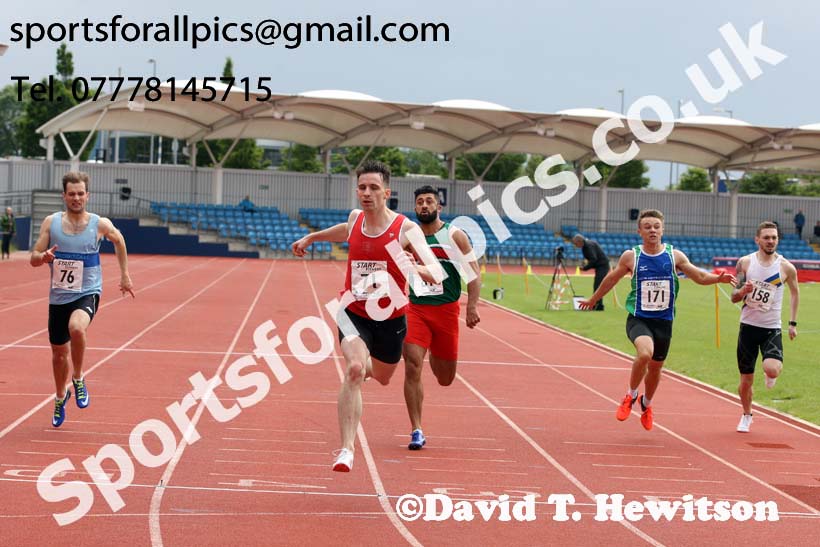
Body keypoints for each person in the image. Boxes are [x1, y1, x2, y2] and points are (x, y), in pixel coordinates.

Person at [291, 160, 441, 472]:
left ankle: (371, 368)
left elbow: (436, 275)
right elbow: (344, 231)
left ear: (387, 192)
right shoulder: (355, 218)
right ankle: (346, 449)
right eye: (362, 187)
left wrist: (413, 267)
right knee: (355, 369)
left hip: (390, 318)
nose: (367, 193)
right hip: (352, 311)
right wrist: (311, 238)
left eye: (374, 188)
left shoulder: (406, 230)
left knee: (384, 376)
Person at [578, 210, 736, 430]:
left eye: (656, 226)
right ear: (639, 231)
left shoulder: (675, 256)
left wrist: (717, 279)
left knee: (655, 369)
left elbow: (699, 276)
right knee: (645, 354)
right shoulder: (631, 256)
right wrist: (594, 299)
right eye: (647, 226)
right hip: (639, 318)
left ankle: (646, 403)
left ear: (662, 229)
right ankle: (630, 395)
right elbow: (611, 279)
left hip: (664, 321)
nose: (652, 230)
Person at [30, 172, 135, 428]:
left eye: (80, 193)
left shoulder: (99, 224)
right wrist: (42, 257)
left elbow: (119, 240)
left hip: (87, 292)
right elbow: (33, 256)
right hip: (59, 297)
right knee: (58, 355)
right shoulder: (51, 223)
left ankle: (78, 378)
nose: (76, 198)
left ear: (88, 195)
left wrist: (124, 275)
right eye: (71, 193)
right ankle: (59, 396)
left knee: (76, 328)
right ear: (64, 196)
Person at [403, 185, 481, 450]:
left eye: (429, 201)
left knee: (445, 378)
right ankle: (416, 429)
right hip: (416, 309)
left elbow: (473, 272)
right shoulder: (408, 237)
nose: (424, 205)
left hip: (447, 311)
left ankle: (436, 350)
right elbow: (389, 263)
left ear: (439, 207)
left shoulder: (455, 235)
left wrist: (472, 306)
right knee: (413, 364)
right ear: (415, 208)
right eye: (420, 202)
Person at [731, 221, 799, 433]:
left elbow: (795, 293)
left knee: (771, 368)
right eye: (767, 237)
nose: (771, 241)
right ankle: (746, 415)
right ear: (757, 239)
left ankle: (770, 374)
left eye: (774, 237)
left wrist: (792, 323)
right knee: (745, 381)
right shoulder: (745, 263)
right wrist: (743, 291)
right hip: (748, 327)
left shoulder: (786, 267)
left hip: (771, 328)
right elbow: (734, 297)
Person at [572, 234, 610, 311]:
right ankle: (597, 305)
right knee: (597, 285)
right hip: (600, 266)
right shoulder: (586, 246)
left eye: (576, 244)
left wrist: (585, 268)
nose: (575, 246)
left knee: (598, 286)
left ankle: (598, 306)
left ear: (580, 241)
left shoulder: (589, 246)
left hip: (602, 266)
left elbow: (593, 259)